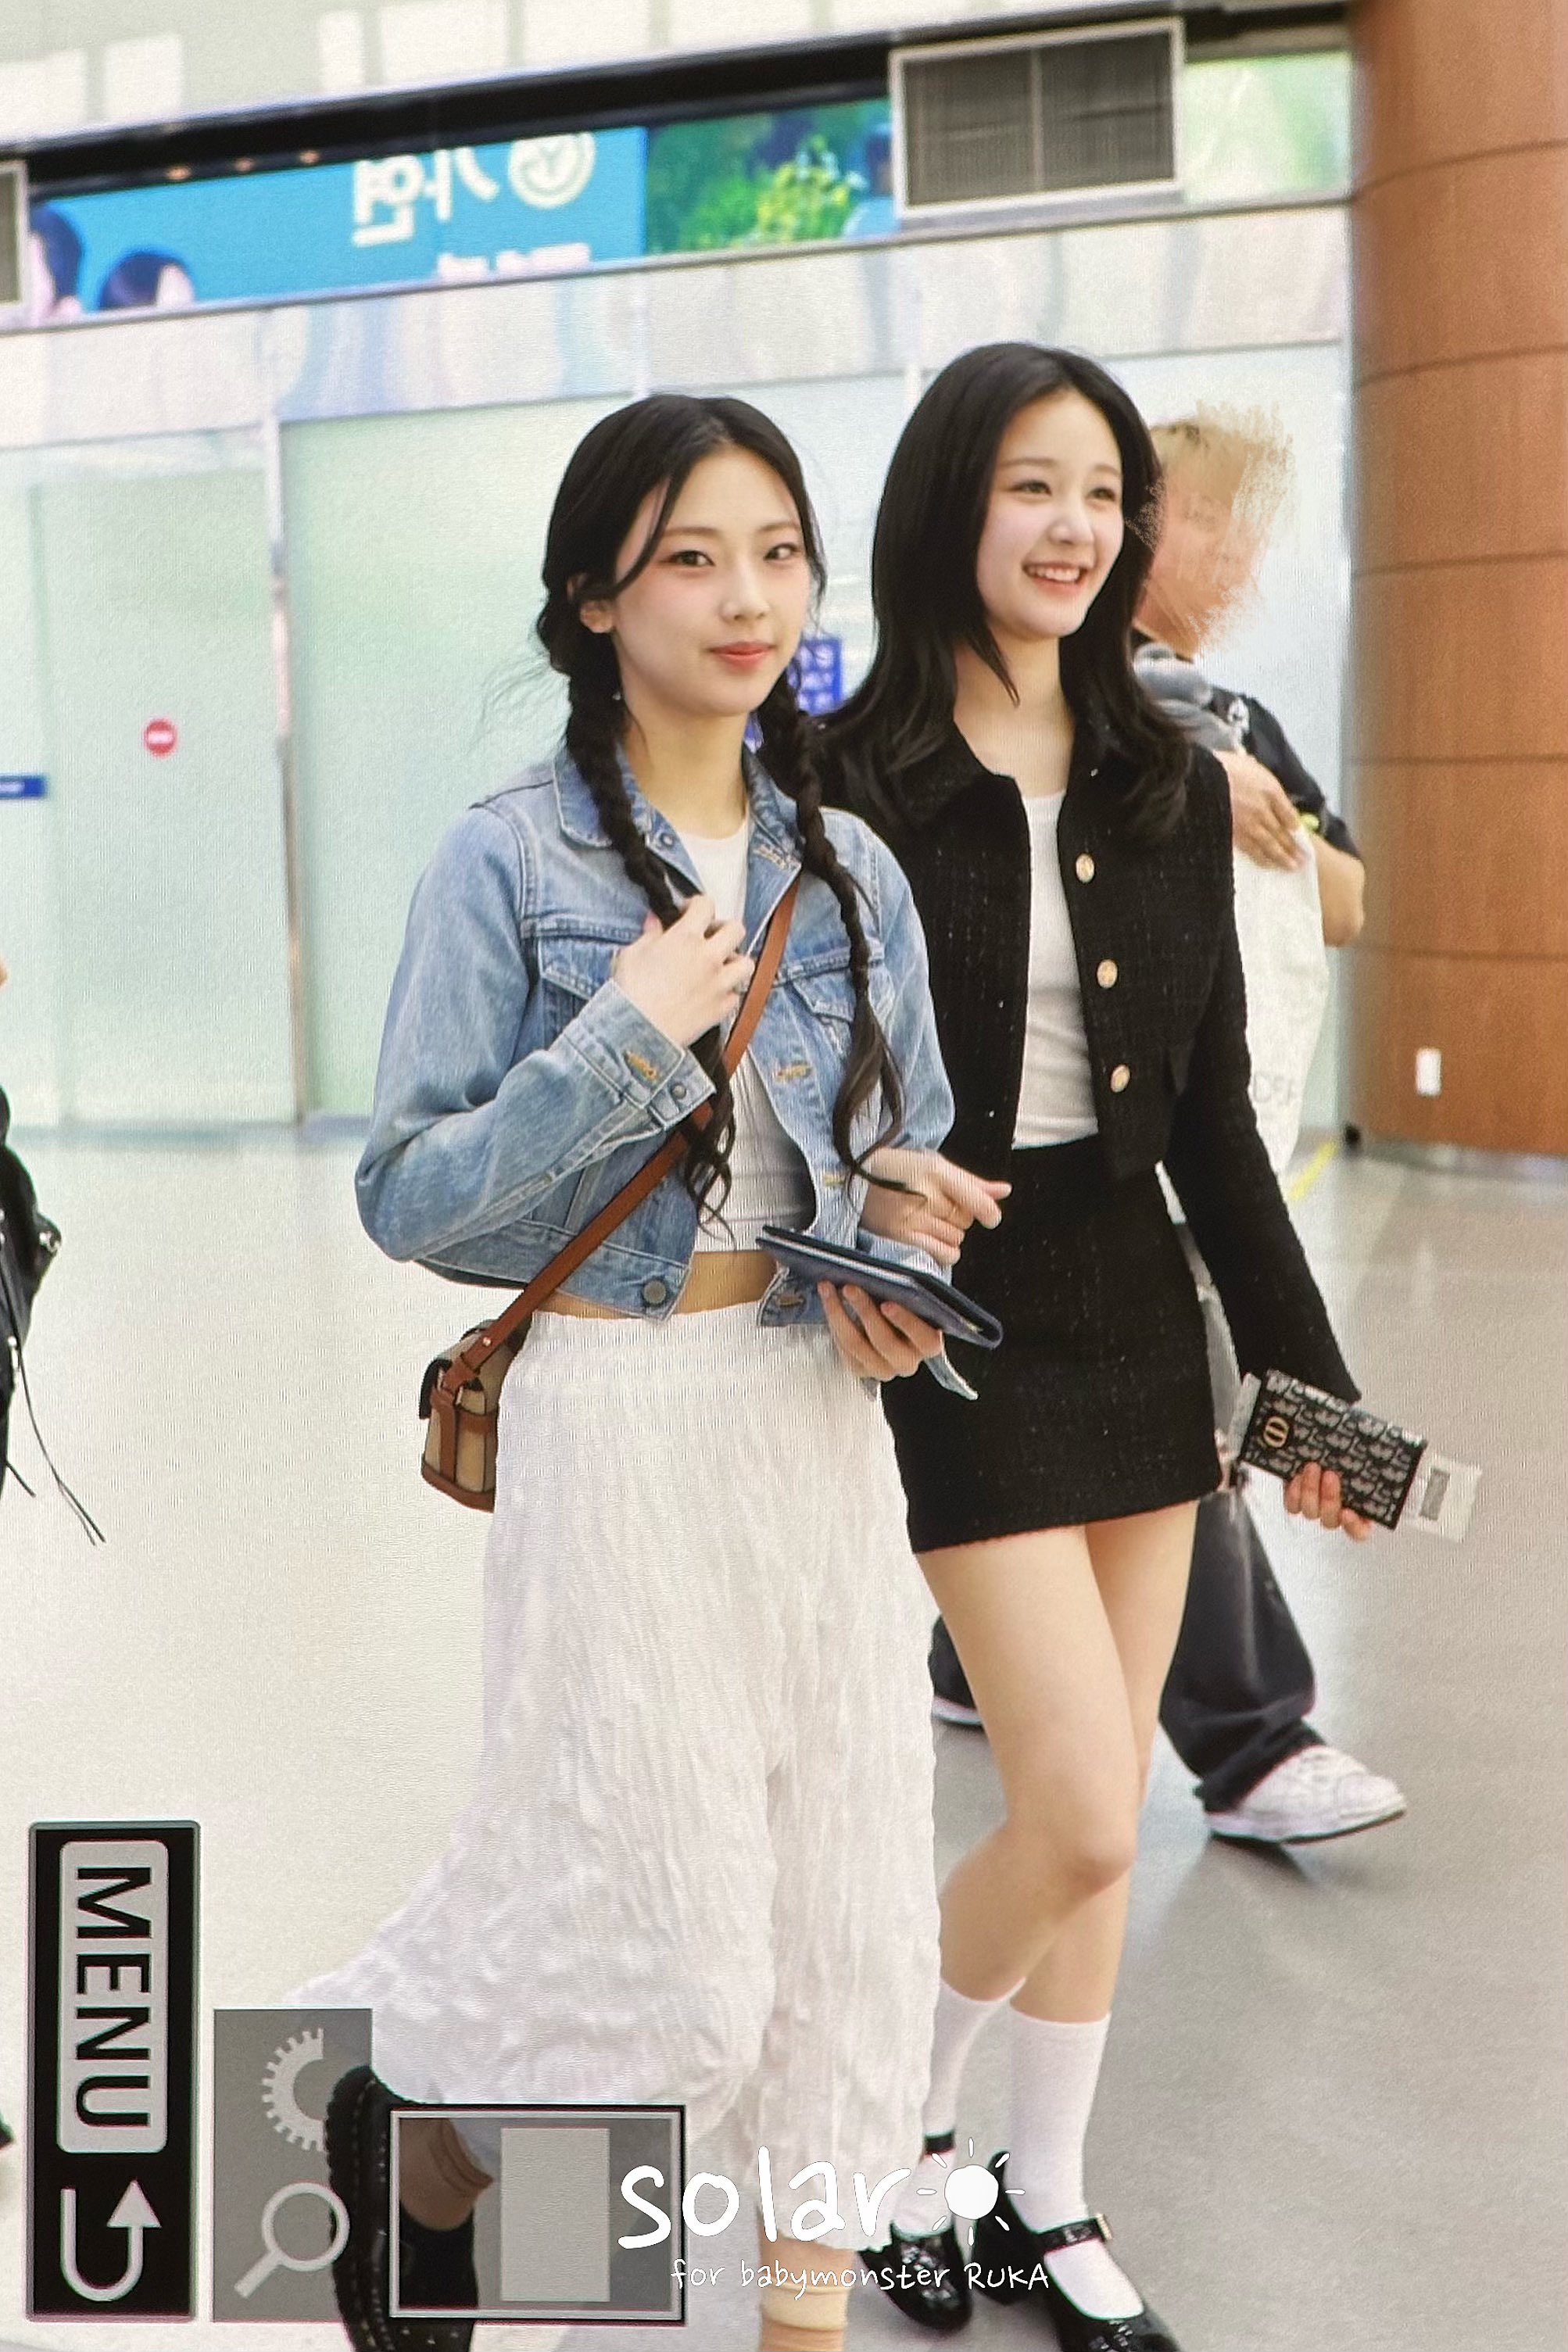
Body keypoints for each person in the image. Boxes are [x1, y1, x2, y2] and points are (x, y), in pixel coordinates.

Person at [287, 392, 970, 2352]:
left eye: (777, 553)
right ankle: (424, 2137)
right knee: (669, 1967)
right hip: (614, 1418)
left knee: (846, 1927)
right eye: (690, 557)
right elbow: (409, 1191)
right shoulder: (505, 859)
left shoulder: (849, 867)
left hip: (813, 1419)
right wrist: (621, 1038)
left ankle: (793, 2321)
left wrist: (909, 1261)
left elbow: (908, 1143)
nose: (746, 596)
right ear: (594, 595)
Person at [822, 343, 1369, 2351]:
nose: (1076, 528)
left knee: (1109, 1804)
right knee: (1071, 1804)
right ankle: (888, 2135)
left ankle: (1043, 2184)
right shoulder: (852, 781)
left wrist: (1311, 1402)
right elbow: (794, 1091)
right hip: (955, 1319)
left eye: (1105, 493)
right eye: (1033, 487)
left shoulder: (1164, 774)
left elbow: (1214, 1120)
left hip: (1142, 1314)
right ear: (950, 507)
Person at [926, 408, 1405, 1847]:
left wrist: (1228, 796)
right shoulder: (1003, 726)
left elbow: (1346, 899)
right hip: (1022, 1175)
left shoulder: (1228, 725)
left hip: (1205, 1123)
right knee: (1178, 1425)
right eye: (1211, 520)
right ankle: (1254, 1739)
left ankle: (968, 1663)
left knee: (1172, 1412)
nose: (1238, 556)